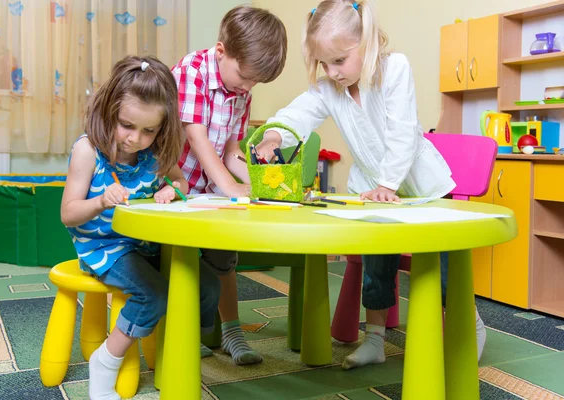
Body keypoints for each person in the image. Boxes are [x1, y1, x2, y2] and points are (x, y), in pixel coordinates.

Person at [255, 0, 486, 370]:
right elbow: (298, 114)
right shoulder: (331, 87)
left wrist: (387, 183)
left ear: (366, 43)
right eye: (323, 64)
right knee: (377, 266)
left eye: (339, 61)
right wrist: (274, 136)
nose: (331, 72)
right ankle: (375, 339)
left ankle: (470, 324)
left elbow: (403, 133)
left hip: (421, 186)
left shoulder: (394, 68)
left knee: (444, 271)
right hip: (375, 190)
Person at [61, 56, 220, 399]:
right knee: (154, 295)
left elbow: (180, 182)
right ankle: (106, 360)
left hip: (144, 243)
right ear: (108, 111)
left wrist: (171, 189)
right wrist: (101, 200)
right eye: (127, 125)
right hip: (105, 248)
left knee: (203, 282)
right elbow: (69, 213)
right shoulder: (88, 150)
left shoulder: (156, 152)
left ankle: (183, 344)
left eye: (149, 130)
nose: (136, 138)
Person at [171, 5, 287, 365]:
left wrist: (259, 183)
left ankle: (232, 332)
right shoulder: (191, 71)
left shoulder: (241, 89)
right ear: (221, 51)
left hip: (208, 187)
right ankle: (182, 331)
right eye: (245, 77)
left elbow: (232, 149)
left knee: (224, 258)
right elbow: (198, 139)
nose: (248, 87)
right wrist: (230, 186)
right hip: (174, 184)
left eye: (256, 82)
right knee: (179, 261)